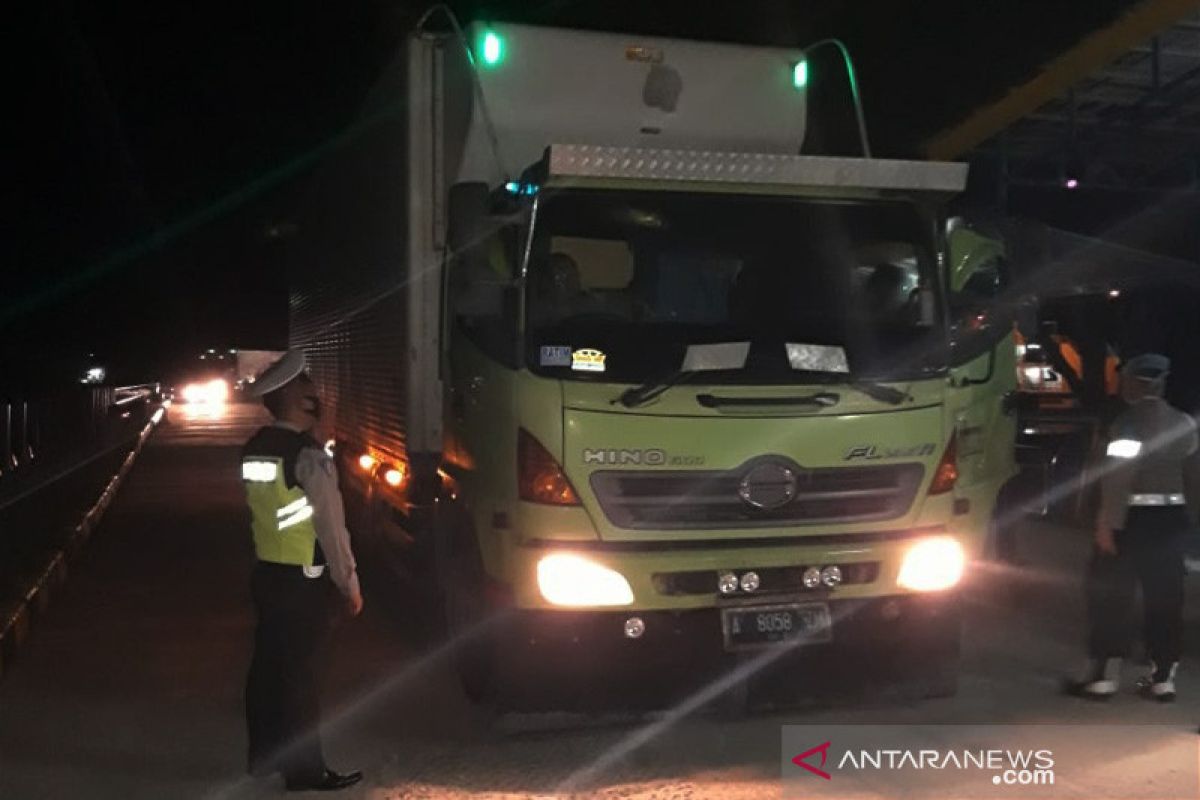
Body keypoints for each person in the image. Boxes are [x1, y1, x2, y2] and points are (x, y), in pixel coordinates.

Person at [242, 349, 364, 792]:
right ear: (294, 399)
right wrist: (348, 582)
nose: (316, 392)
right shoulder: (309, 457)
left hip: (268, 575)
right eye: (307, 386)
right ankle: (306, 771)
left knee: (269, 671)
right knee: (301, 681)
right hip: (304, 582)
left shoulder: (256, 448)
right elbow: (331, 528)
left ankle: (263, 757)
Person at [1064, 353, 1199, 702]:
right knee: (1166, 600)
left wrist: (1106, 523)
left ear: (1135, 383)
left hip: (1130, 520)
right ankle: (1163, 678)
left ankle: (1104, 677)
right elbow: (1194, 480)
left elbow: (1118, 479)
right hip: (1171, 521)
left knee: (1111, 595)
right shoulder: (1185, 424)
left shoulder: (1126, 424)